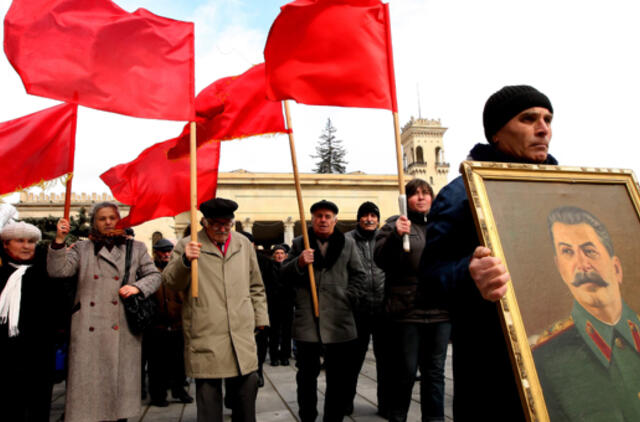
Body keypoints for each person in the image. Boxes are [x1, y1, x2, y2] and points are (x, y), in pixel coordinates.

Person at [421, 85, 556, 421]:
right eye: (529, 119)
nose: (543, 129)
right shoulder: (461, 195)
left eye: (548, 119)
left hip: (557, 352)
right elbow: (429, 278)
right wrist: (470, 273)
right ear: (497, 133)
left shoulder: (563, 188)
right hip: (492, 364)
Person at [48, 202, 162, 422]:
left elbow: (155, 276)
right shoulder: (82, 249)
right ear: (94, 222)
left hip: (123, 328)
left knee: (119, 399)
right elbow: (58, 271)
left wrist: (138, 287)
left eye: (112, 217)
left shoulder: (136, 248)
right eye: (102, 218)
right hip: (88, 330)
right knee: (88, 398)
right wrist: (60, 241)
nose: (108, 222)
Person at [163, 197, 269, 422]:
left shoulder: (242, 244)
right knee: (209, 401)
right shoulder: (187, 245)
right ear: (204, 222)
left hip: (241, 332)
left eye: (227, 223)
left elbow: (256, 285)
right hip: (206, 332)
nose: (222, 229)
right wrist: (185, 261)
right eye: (216, 224)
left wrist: (260, 318)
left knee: (247, 393)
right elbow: (170, 283)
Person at [532, 206, 640, 420]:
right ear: (559, 268)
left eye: (589, 250)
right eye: (567, 252)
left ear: (616, 268)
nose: (581, 265)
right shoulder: (545, 359)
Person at [282, 199, 366, 422]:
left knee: (338, 378)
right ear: (312, 219)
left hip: (340, 321)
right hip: (308, 322)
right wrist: (299, 263)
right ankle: (307, 417)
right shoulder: (300, 243)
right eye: (319, 216)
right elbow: (283, 274)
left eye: (328, 216)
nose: (323, 220)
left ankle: (334, 418)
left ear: (335, 220)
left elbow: (359, 275)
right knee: (306, 378)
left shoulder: (347, 244)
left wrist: (349, 297)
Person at [375, 180, 450, 422]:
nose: (420, 198)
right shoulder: (393, 226)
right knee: (405, 372)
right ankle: (397, 416)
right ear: (405, 200)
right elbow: (382, 259)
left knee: (435, 373)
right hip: (406, 311)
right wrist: (397, 236)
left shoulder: (442, 227)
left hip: (440, 311)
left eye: (425, 193)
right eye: (415, 194)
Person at [0, 222, 61, 421]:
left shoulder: (46, 271)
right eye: (20, 241)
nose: (26, 246)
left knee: (38, 408)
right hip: (6, 356)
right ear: (6, 244)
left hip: (39, 355)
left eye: (31, 241)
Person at [344, 201, 388, 416]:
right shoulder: (347, 240)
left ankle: (386, 404)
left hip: (383, 310)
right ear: (359, 218)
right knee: (352, 362)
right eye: (365, 215)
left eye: (373, 215)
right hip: (357, 311)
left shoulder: (385, 239)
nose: (370, 219)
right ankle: (345, 402)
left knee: (386, 362)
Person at [146, 238, 193, 407]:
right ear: (156, 253)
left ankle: (179, 390)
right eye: (162, 252)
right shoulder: (149, 270)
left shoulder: (177, 268)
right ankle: (158, 394)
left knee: (179, 362)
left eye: (168, 251)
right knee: (157, 364)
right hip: (156, 325)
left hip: (177, 323)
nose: (166, 255)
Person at [268, 244, 293, 367]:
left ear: (286, 255)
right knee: (274, 332)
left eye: (282, 253)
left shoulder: (290, 267)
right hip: (273, 304)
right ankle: (274, 356)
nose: (279, 255)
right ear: (274, 255)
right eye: (277, 253)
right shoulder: (269, 268)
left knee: (287, 332)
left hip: (287, 303)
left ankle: (285, 356)